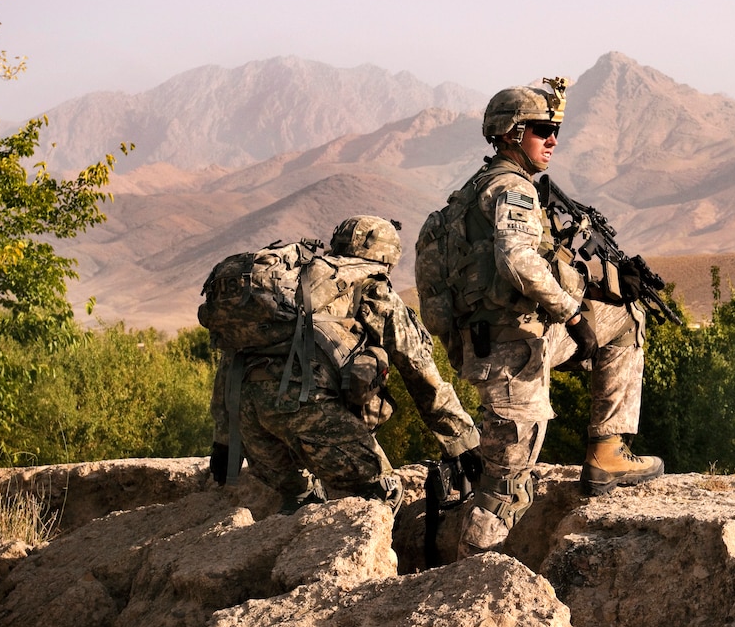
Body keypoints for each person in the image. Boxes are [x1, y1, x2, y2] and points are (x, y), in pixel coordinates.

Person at [421, 77, 663, 558]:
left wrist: (464, 348)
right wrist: (572, 315)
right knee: (505, 490)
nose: (553, 139)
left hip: (502, 344)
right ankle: (469, 587)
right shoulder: (512, 191)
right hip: (515, 351)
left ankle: (606, 453)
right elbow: (518, 260)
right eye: (542, 128)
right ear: (512, 133)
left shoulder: (457, 205)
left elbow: (432, 298)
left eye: (555, 129)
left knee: (624, 319)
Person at [209, 215, 481, 515]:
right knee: (381, 492)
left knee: (301, 497)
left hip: (250, 425)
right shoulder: (374, 290)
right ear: (386, 258)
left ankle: (298, 527)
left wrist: (223, 439)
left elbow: (233, 357)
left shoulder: (296, 286)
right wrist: (461, 439)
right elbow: (419, 371)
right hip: (304, 409)